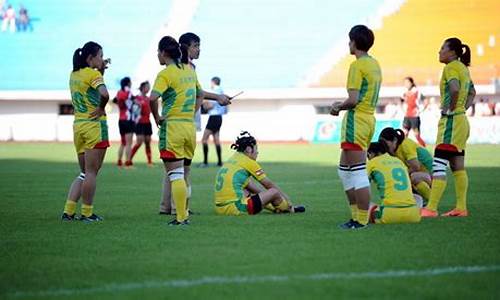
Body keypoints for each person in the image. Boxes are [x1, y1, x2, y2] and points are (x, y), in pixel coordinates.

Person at [159, 32, 230, 215]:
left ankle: (167, 206)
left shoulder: (180, 67)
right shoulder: (185, 68)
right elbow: (198, 92)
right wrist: (200, 106)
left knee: (173, 167)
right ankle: (181, 208)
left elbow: (198, 91)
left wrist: (215, 98)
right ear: (184, 47)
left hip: (179, 120)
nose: (198, 49)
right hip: (183, 121)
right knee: (182, 169)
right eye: (195, 46)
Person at [330, 25, 382, 229]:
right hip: (368, 119)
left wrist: (337, 107)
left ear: (354, 42)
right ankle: (356, 216)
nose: (348, 44)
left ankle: (360, 219)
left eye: (349, 40)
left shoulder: (357, 66)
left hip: (356, 120)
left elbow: (352, 100)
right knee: (344, 170)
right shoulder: (374, 63)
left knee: (358, 171)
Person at [150, 35, 204, 225]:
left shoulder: (165, 74)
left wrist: (157, 118)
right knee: (184, 174)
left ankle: (181, 217)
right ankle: (180, 211)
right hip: (189, 128)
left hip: (172, 128)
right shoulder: (189, 71)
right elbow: (201, 94)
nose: (157, 55)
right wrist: (191, 112)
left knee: (175, 175)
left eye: (158, 52)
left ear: (164, 53)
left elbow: (152, 98)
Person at [421, 37, 476, 218]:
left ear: (452, 52)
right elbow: (472, 93)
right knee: (457, 166)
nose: (439, 51)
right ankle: (461, 207)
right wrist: (462, 108)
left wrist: (451, 109)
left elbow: (454, 89)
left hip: (451, 122)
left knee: (438, 165)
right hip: (461, 121)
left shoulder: (451, 67)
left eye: (442, 48)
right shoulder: (463, 69)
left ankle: (431, 208)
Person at [61, 41, 110, 222]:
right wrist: (101, 108)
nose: (102, 59)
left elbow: (91, 88)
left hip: (79, 125)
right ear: (91, 58)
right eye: (100, 56)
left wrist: (101, 70)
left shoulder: (74, 74)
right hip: (94, 126)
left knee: (83, 172)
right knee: (91, 172)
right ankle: (87, 213)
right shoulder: (92, 74)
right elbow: (104, 94)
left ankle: (68, 211)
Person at [214, 131, 305, 216]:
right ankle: (290, 209)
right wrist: (286, 198)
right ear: (249, 149)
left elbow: (254, 189)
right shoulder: (249, 162)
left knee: (247, 192)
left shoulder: (234, 159)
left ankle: (276, 209)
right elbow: (269, 184)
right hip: (237, 208)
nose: (257, 152)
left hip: (221, 209)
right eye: (256, 149)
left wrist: (268, 198)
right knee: (274, 192)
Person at [367, 142, 421, 224]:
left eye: (368, 155)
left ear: (372, 153)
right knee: (417, 198)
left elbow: (362, 186)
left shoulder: (372, 163)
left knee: (364, 203)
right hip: (413, 215)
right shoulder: (399, 161)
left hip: (389, 214)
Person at [378, 127, 432, 202]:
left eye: (385, 144)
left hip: (433, 175)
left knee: (412, 177)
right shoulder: (393, 150)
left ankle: (431, 202)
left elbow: (415, 167)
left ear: (395, 140)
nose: (384, 147)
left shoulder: (405, 144)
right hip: (423, 174)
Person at [201, 76, 227, 167]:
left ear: (213, 82)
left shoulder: (215, 91)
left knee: (204, 140)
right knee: (216, 140)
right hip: (219, 117)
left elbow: (210, 106)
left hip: (213, 117)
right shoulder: (221, 91)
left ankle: (205, 162)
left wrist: (203, 105)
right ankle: (219, 162)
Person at [130, 81, 153, 166]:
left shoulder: (149, 99)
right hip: (139, 123)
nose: (149, 88)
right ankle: (129, 159)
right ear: (143, 88)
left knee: (147, 142)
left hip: (147, 123)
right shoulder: (137, 98)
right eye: (147, 86)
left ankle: (149, 161)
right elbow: (132, 108)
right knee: (139, 142)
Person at [114, 77, 135, 168]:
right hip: (128, 119)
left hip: (121, 120)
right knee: (129, 143)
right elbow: (134, 101)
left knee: (123, 142)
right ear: (128, 83)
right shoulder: (128, 92)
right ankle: (128, 163)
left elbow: (115, 100)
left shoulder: (119, 92)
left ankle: (119, 161)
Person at [401, 77, 426, 146]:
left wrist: (420, 110)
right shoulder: (404, 92)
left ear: (411, 83)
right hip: (407, 116)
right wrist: (403, 110)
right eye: (405, 83)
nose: (406, 84)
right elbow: (401, 101)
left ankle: (424, 149)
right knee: (404, 134)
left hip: (414, 117)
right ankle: (404, 150)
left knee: (416, 135)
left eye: (407, 82)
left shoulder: (417, 91)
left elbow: (426, 101)